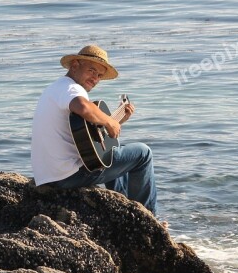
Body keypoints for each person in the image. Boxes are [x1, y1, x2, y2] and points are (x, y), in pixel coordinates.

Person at [30, 45, 157, 215]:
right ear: (75, 65)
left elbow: (86, 138)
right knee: (143, 154)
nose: (95, 78)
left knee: (112, 154)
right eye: (91, 70)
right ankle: (149, 216)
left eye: (99, 75)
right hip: (68, 176)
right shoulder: (71, 88)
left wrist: (117, 121)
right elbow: (83, 107)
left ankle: (127, 207)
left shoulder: (55, 88)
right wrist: (110, 123)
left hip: (50, 176)